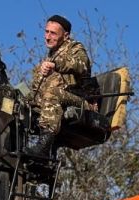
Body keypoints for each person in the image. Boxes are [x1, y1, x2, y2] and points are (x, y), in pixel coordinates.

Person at [31, 14, 91, 156]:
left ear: (65, 36)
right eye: (46, 32)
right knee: (18, 101)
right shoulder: (51, 55)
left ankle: (43, 147)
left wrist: (56, 65)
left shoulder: (75, 48)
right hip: (58, 101)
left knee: (52, 92)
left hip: (80, 101)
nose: (47, 37)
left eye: (53, 33)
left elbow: (82, 65)